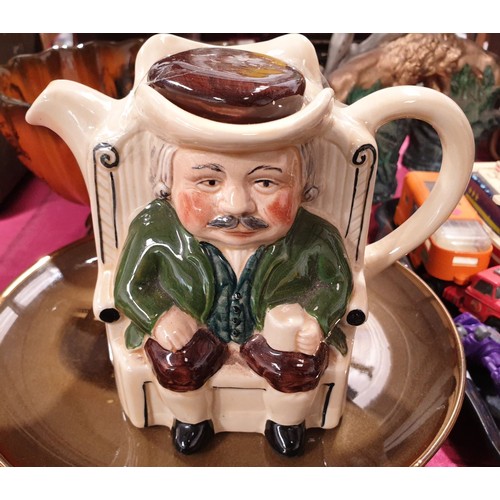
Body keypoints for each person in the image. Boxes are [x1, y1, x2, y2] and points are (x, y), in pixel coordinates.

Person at [113, 47, 353, 457]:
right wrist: (159, 317)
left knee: (297, 367)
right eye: (208, 182)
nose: (237, 205)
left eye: (266, 182)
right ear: (168, 182)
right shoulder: (154, 230)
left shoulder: (314, 236)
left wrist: (316, 318)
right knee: (178, 363)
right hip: (194, 339)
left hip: (273, 342)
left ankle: (285, 421)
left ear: (302, 185)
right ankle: (191, 419)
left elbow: (334, 283)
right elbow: (129, 287)